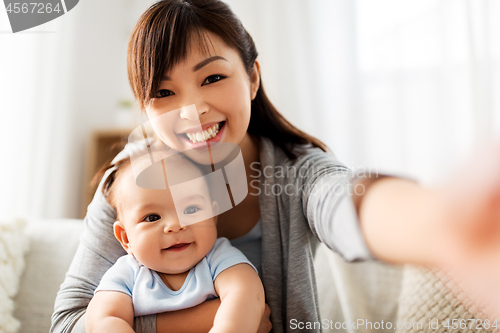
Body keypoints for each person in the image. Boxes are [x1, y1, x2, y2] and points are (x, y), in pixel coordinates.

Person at [51, 0, 500, 332]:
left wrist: (443, 222)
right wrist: (201, 320)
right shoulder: (129, 187)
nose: (192, 110)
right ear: (144, 108)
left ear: (252, 78)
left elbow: (346, 203)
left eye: (212, 78)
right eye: (164, 93)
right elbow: (69, 322)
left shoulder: (295, 171)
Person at [85, 155, 264, 333]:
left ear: (213, 216)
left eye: (191, 209)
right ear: (126, 238)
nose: (176, 225)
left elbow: (246, 295)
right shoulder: (126, 275)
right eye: (152, 218)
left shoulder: (219, 259)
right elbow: (103, 320)